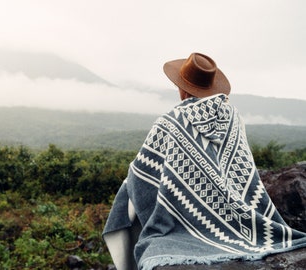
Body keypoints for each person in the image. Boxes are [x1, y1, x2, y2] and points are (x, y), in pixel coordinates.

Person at [102, 52, 306, 270]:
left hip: (183, 223)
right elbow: (244, 172)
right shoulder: (233, 118)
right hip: (244, 220)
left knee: (129, 196)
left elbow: (142, 173)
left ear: (182, 88)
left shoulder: (170, 122)